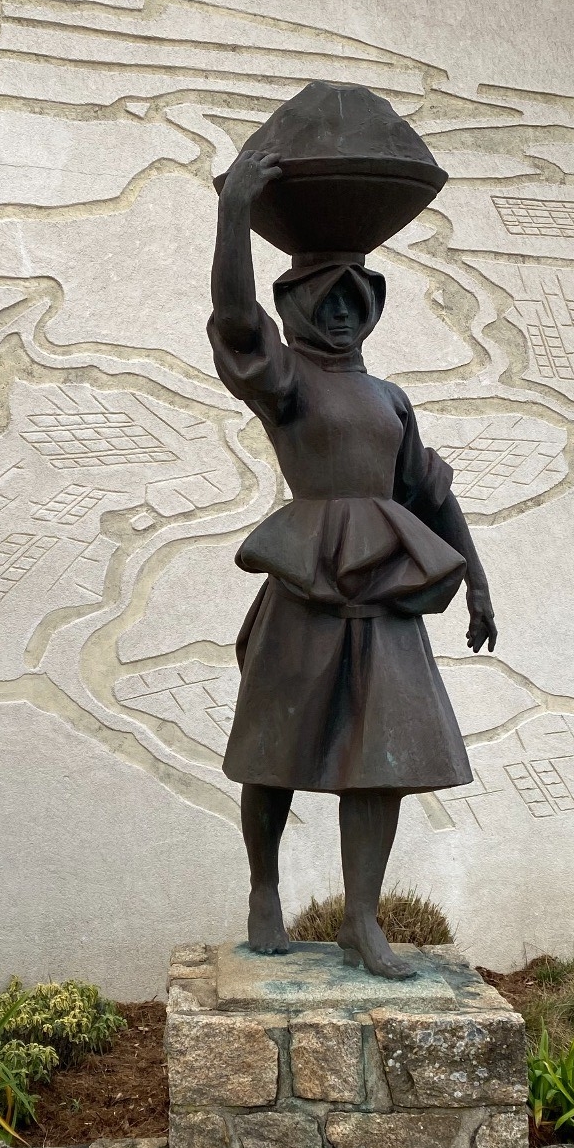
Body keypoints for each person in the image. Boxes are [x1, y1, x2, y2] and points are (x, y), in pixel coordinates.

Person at [210, 149, 497, 977]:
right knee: (274, 751)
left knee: (381, 760)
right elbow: (235, 318)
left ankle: (361, 919)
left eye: (354, 300)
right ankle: (264, 888)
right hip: (307, 587)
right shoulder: (284, 379)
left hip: (385, 592)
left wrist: (478, 581)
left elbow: (428, 494)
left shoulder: (390, 398)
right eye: (325, 299)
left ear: (371, 309)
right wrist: (235, 213)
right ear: (295, 305)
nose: (340, 314)